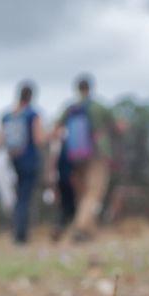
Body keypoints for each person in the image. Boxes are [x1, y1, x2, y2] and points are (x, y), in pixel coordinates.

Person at [48, 75, 99, 241]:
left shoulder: (69, 108)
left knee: (81, 193)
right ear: (90, 88)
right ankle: (81, 227)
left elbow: (56, 130)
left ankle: (88, 232)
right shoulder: (98, 107)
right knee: (92, 193)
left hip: (73, 157)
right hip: (95, 157)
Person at [0, 82, 43, 244]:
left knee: (15, 198)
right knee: (24, 198)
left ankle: (16, 232)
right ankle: (20, 236)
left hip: (11, 161)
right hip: (28, 160)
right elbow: (38, 139)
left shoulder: (7, 115)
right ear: (31, 97)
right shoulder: (32, 114)